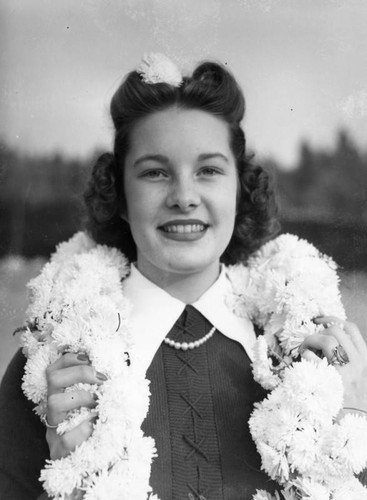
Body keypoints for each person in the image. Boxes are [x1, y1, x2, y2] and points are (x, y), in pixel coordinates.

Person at [0, 54, 366, 500]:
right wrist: (67, 476)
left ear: (239, 188)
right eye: (155, 173)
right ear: (119, 194)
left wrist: (350, 419)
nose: (184, 197)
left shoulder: (316, 356)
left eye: (209, 170)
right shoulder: (55, 366)